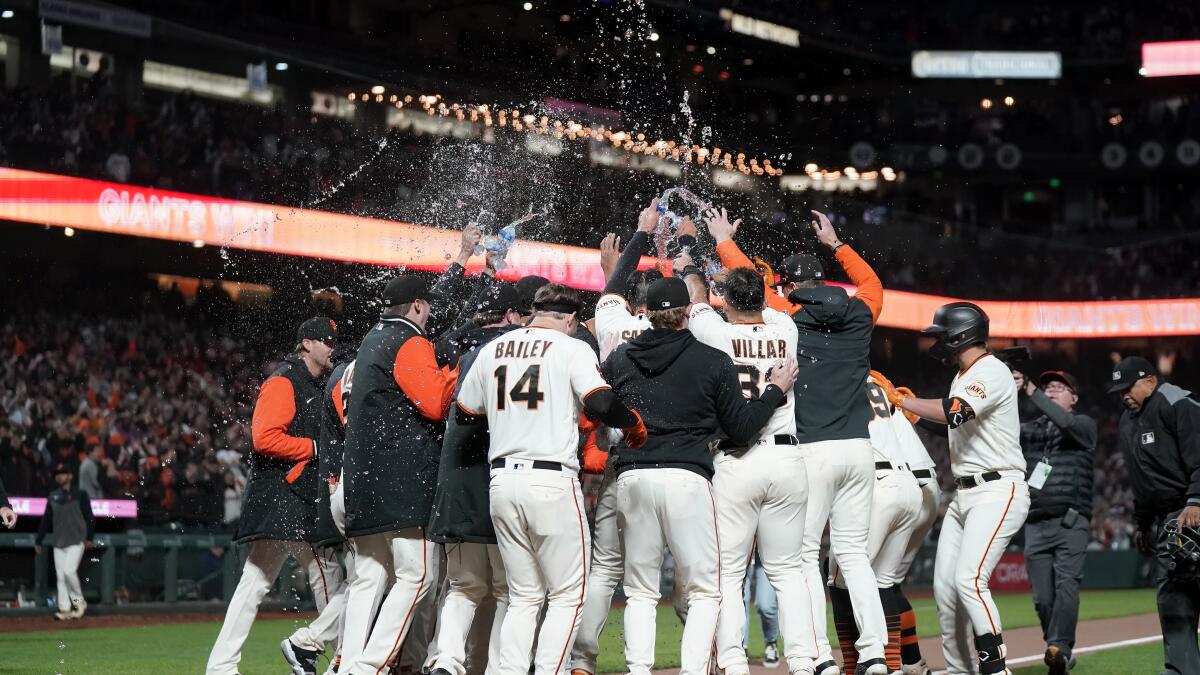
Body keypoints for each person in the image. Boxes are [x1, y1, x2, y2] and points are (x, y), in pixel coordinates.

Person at [708, 207, 888, 675]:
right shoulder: (860, 312)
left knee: (802, 558)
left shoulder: (787, 316)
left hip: (811, 449)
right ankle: (874, 656)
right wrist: (837, 243)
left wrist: (725, 241)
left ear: (787, 286)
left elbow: (751, 293)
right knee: (854, 557)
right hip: (860, 447)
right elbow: (872, 285)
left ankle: (820, 656)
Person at [603, 276, 799, 675]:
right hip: (688, 479)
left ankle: (638, 670)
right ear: (688, 314)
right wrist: (775, 391)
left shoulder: (622, 357)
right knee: (706, 591)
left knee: (640, 591)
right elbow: (743, 429)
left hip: (633, 477)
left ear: (649, 315)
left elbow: (598, 405)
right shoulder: (710, 359)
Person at [455, 283, 647, 675]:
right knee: (567, 595)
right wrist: (630, 423)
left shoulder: (495, 348)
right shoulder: (571, 347)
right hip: (551, 481)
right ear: (572, 319)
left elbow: (464, 412)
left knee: (525, 596)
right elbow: (601, 402)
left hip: (502, 483)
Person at [676, 260, 813, 674]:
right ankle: (805, 663)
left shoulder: (715, 332)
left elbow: (697, 301)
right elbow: (765, 305)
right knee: (789, 572)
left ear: (727, 302)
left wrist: (686, 259)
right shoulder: (786, 330)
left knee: (729, 574)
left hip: (736, 458)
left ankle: (734, 662)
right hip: (787, 456)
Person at [887, 303, 1031, 675]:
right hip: (966, 494)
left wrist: (903, 400)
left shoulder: (991, 370)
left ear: (959, 335)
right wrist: (913, 412)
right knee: (946, 590)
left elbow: (956, 411)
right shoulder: (963, 374)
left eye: (940, 334)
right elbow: (953, 423)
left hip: (999, 488)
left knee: (970, 579)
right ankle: (959, 669)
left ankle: (996, 668)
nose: (936, 341)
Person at [206, 317, 339, 675]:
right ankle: (338, 659)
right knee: (330, 578)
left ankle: (220, 667)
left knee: (252, 585)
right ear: (306, 344)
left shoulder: (309, 381)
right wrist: (313, 446)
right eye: (325, 340)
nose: (331, 346)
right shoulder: (285, 379)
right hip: (289, 500)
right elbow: (264, 438)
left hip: (279, 500)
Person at [340, 275, 458, 674]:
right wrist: (459, 368)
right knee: (418, 576)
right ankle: (367, 667)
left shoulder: (371, 340)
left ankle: (348, 665)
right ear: (418, 307)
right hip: (401, 479)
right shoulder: (407, 339)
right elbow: (435, 403)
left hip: (361, 478)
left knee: (368, 576)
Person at [571, 201, 666, 675]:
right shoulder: (686, 332)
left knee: (605, 569)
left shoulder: (610, 327)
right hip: (672, 463)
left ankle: (582, 661)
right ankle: (706, 660)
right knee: (683, 577)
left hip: (619, 463)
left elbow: (611, 292)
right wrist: (674, 253)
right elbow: (689, 296)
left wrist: (639, 237)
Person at [426, 283, 524, 675]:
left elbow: (443, 338)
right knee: (508, 591)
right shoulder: (513, 351)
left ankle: (446, 661)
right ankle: (498, 667)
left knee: (463, 588)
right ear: (513, 317)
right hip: (500, 480)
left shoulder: (457, 353)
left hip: (455, 482)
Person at [1108, 356, 1200, 675]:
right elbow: (1141, 480)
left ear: (1149, 380)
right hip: (1165, 517)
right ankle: (1181, 669)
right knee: (1172, 594)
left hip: (1192, 507)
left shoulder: (1176, 403)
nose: (1123, 395)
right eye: (1118, 390)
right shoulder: (1127, 420)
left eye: (1127, 387)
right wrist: (1143, 524)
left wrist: (1196, 500)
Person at [828, 373, 923, 675]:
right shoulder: (874, 377)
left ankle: (853, 664)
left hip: (876, 485)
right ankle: (893, 666)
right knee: (882, 582)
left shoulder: (831, 368)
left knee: (841, 578)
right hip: (908, 483)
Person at [282, 344, 359, 675]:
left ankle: (330, 650)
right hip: (351, 491)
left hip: (334, 491)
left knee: (363, 581)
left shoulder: (333, 380)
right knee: (369, 581)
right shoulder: (355, 374)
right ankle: (312, 642)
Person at [1019, 369, 1096, 675]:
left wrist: (1030, 389)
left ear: (1073, 399)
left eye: (1059, 387)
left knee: (1066, 585)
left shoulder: (1084, 425)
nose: (1050, 390)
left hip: (1070, 522)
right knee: (1042, 599)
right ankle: (1059, 652)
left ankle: (1060, 647)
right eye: (1047, 386)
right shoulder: (1033, 429)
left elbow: (1064, 421)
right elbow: (1001, 428)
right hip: (1035, 523)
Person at [35, 463, 94, 620]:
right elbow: (46, 520)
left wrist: (90, 537)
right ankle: (65, 609)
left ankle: (78, 601)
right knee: (61, 577)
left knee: (69, 571)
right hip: (59, 541)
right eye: (57, 473)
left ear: (70, 476)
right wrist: (38, 540)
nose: (59, 476)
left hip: (76, 540)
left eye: (63, 473)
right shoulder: (53, 495)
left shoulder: (80, 494)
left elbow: (89, 516)